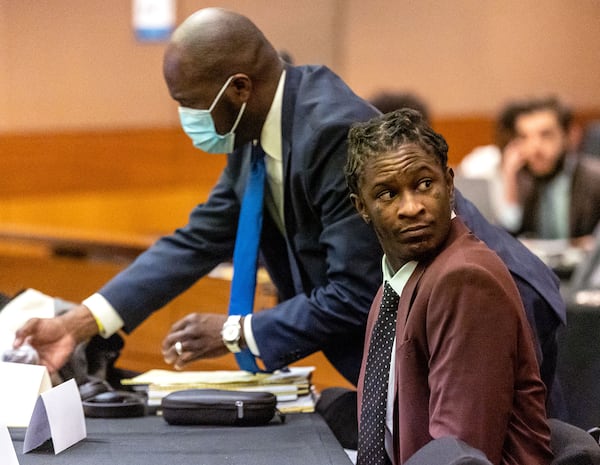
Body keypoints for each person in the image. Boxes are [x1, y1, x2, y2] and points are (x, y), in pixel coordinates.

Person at [14, 7, 563, 422]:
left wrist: (237, 332)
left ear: (239, 88)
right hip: (422, 329)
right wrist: (76, 324)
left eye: (188, 102)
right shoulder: (254, 132)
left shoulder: (333, 132)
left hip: (489, 311)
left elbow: (356, 291)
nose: (184, 116)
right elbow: (197, 240)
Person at [347, 109, 553, 465]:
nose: (411, 208)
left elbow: (458, 455)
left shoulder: (464, 281)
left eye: (425, 185)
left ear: (450, 184)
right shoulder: (395, 284)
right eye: (387, 194)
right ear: (362, 208)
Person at [497, 96, 600, 243]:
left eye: (545, 135)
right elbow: (505, 238)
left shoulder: (595, 179)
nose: (534, 148)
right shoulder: (523, 178)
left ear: (570, 136)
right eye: (524, 137)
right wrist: (510, 180)